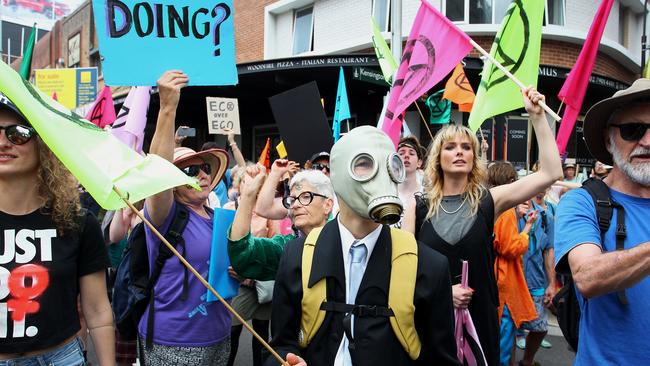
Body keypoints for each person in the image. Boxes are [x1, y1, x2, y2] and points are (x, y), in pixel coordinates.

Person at [267, 126, 459, 366]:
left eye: (389, 165)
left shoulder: (428, 266)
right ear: (336, 176)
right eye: (365, 164)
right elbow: (279, 346)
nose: (381, 177)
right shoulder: (297, 257)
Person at [404, 87, 563, 366]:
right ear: (437, 157)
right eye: (450, 147)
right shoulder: (416, 207)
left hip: (480, 321)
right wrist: (443, 294)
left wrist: (537, 118)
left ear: (474, 157)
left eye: (466, 147)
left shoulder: (489, 200)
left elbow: (551, 173)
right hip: (431, 321)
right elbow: (405, 270)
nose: (459, 152)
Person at [0, 93, 115, 364]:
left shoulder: (78, 222)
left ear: (43, 144)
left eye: (17, 133)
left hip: (62, 358)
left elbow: (98, 311)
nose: (3, 142)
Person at [554, 78, 650, 365]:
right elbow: (587, 276)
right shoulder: (583, 202)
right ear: (609, 140)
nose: (647, 142)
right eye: (633, 130)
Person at [139, 71, 231, 365]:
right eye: (190, 171)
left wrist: (239, 273)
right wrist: (167, 108)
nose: (203, 174)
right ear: (174, 181)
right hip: (174, 342)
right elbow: (158, 173)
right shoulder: (165, 215)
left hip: (219, 336)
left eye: (204, 167)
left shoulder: (221, 218)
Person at [228, 166, 334, 281]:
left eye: (306, 197)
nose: (296, 205)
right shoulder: (288, 249)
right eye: (292, 200)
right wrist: (248, 195)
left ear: (327, 205)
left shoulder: (345, 242)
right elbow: (243, 254)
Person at [487, 162, 537, 366]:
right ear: (509, 183)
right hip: (504, 282)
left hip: (492, 279)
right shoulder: (505, 210)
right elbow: (509, 247)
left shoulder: (487, 203)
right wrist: (527, 229)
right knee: (503, 341)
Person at [395, 136, 425, 228]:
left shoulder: (427, 195)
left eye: (411, 153)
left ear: (419, 163)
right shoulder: (386, 193)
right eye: (401, 153)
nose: (406, 156)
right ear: (394, 160)